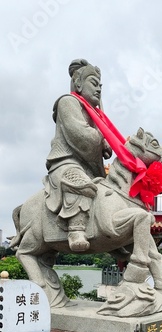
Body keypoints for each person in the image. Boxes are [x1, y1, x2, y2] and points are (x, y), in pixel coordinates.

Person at [43, 59, 112, 252]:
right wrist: (101, 138)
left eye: (100, 85)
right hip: (66, 162)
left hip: (89, 166)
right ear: (79, 84)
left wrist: (103, 140)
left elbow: (94, 140)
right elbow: (81, 137)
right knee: (80, 182)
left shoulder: (93, 112)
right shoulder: (68, 102)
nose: (98, 89)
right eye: (93, 83)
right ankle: (76, 228)